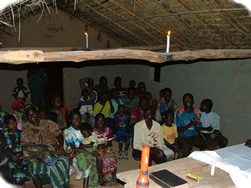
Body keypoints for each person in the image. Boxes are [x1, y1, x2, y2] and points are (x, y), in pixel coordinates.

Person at [21, 104, 69, 188]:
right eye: (29, 115)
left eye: (33, 113)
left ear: (37, 113)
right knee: (33, 162)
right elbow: (25, 148)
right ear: (27, 118)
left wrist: (61, 146)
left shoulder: (48, 123)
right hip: (36, 155)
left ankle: (49, 159)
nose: (32, 116)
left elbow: (59, 135)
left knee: (58, 160)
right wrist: (38, 155)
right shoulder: (26, 132)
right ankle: (45, 157)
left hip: (52, 149)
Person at [64, 110, 101, 187]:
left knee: (97, 159)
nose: (77, 120)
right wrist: (90, 152)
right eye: (74, 119)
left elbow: (91, 138)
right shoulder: (68, 132)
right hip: (76, 151)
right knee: (87, 164)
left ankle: (98, 179)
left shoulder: (83, 128)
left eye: (78, 118)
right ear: (70, 120)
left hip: (86, 149)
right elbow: (74, 148)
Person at [1, 115, 29, 185]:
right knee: (13, 171)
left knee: (27, 168)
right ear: (7, 125)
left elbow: (25, 146)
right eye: (10, 124)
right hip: (11, 157)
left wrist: (21, 152)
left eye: (14, 122)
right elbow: (3, 149)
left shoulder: (21, 133)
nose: (13, 125)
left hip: (22, 156)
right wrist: (12, 155)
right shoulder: (5, 134)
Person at [93, 113, 117, 185]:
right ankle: (101, 177)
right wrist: (99, 145)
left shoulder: (108, 130)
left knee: (113, 158)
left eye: (102, 121)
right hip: (97, 149)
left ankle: (114, 176)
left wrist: (106, 143)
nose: (101, 123)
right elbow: (92, 144)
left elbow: (110, 142)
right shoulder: (93, 131)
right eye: (98, 121)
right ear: (95, 122)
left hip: (106, 148)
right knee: (100, 158)